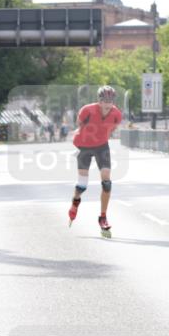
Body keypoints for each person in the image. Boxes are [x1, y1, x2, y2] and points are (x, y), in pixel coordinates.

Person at [69, 86, 123, 237]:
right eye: (105, 100)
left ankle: (103, 217)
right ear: (99, 101)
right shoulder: (87, 110)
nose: (108, 103)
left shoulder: (117, 114)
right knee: (82, 185)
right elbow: (79, 124)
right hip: (84, 145)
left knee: (107, 183)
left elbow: (112, 129)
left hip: (102, 147)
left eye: (111, 101)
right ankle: (75, 202)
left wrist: (100, 136)